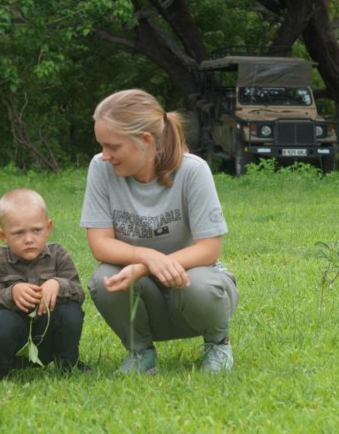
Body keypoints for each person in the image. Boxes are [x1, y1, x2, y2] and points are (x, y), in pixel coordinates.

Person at [81, 88, 239, 374]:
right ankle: (140, 353)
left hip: (192, 290)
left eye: (113, 146)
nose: (105, 155)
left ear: (145, 141)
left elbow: (209, 248)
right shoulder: (100, 169)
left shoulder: (193, 171)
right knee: (104, 278)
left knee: (202, 284)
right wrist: (147, 257)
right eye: (101, 145)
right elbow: (99, 244)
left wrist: (146, 266)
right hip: (144, 294)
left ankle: (218, 344)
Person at [0, 188, 89, 379]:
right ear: (3, 235)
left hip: (47, 338)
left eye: (36, 230)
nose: (29, 239)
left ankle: (68, 363)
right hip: (13, 343)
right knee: (2, 321)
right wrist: (12, 293)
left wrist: (57, 284)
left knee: (70, 312)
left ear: (48, 228)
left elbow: (78, 294)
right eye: (18, 233)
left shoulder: (58, 255)